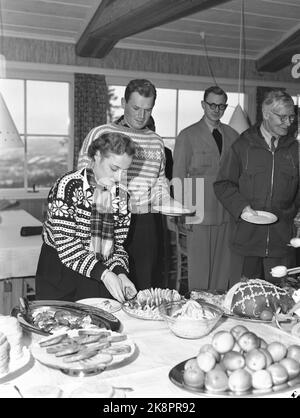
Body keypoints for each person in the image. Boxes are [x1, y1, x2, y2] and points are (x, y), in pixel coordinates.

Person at [77, 79, 182, 291]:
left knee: (143, 286)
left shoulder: (156, 141)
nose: (141, 115)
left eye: (147, 109)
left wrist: (167, 200)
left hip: (144, 223)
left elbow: (159, 180)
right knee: (104, 285)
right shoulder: (101, 133)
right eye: (135, 108)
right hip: (106, 218)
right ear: (124, 102)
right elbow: (82, 176)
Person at [35, 132, 137, 302]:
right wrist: (104, 274)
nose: (119, 178)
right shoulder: (68, 186)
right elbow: (67, 246)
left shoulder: (122, 196)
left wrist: (120, 274)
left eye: (125, 171)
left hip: (98, 271)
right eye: (114, 168)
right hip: (60, 270)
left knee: (96, 324)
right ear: (97, 156)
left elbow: (116, 246)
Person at [214, 90, 299, 286]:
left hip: (282, 243)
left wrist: (295, 216)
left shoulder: (295, 150)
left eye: (292, 117)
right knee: (244, 301)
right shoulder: (241, 146)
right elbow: (223, 184)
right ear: (267, 114)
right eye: (283, 117)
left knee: (282, 303)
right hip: (247, 241)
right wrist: (242, 208)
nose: (289, 122)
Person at [172, 85, 239, 292]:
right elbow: (179, 176)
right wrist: (183, 214)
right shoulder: (187, 135)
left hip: (227, 211)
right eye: (212, 105)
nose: (216, 110)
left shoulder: (233, 135)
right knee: (200, 270)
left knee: (224, 269)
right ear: (203, 105)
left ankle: (219, 309)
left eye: (221, 106)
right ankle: (199, 310)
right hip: (198, 209)